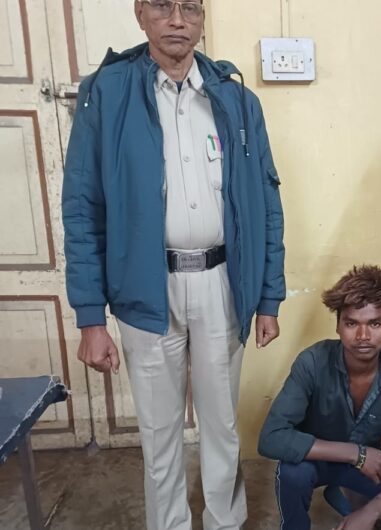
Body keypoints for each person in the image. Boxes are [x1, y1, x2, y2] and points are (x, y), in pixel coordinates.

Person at [61, 1, 285, 529]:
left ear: (202, 17)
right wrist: (91, 318)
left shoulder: (236, 99)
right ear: (141, 14)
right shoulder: (107, 94)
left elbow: (267, 203)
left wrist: (268, 297)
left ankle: (225, 522)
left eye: (190, 7)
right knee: (159, 434)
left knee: (221, 426)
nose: (177, 20)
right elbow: (82, 206)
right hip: (145, 288)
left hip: (222, 285)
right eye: (163, 6)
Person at [257, 265, 381, 530]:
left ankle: (346, 494)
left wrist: (370, 512)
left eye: (375, 323)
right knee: (292, 473)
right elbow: (271, 438)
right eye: (352, 323)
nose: (363, 336)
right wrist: (356, 454)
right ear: (338, 326)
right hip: (317, 458)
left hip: (367, 460)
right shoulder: (312, 362)